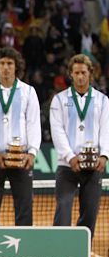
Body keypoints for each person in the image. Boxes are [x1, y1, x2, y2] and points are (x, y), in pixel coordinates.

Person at [0, 47, 41, 226]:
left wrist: (32, 152)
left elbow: (34, 123)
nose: (6, 67)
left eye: (10, 63)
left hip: (22, 156)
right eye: (2, 63)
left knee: (24, 205)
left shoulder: (28, 91)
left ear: (16, 66)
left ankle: (25, 249)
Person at [50, 54, 109, 237]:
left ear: (90, 73)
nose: (80, 76)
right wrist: (70, 156)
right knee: (64, 207)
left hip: (93, 166)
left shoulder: (102, 100)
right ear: (71, 74)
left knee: (90, 213)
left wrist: (104, 155)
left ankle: (82, 254)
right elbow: (57, 131)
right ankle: (59, 251)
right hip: (67, 165)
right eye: (77, 73)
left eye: (84, 72)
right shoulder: (59, 100)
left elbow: (106, 129)